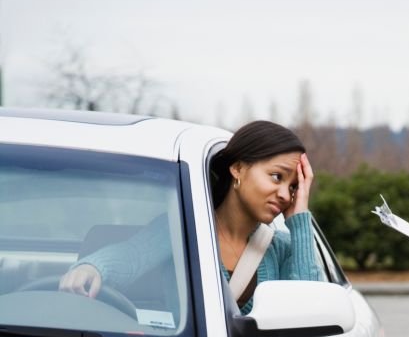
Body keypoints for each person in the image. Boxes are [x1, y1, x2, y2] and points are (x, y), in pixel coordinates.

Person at [60, 120, 321, 314]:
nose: (286, 195)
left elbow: (310, 312)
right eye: (277, 177)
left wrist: (299, 219)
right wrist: (91, 267)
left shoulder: (286, 249)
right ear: (238, 168)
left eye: (294, 187)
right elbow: (131, 255)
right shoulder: (183, 231)